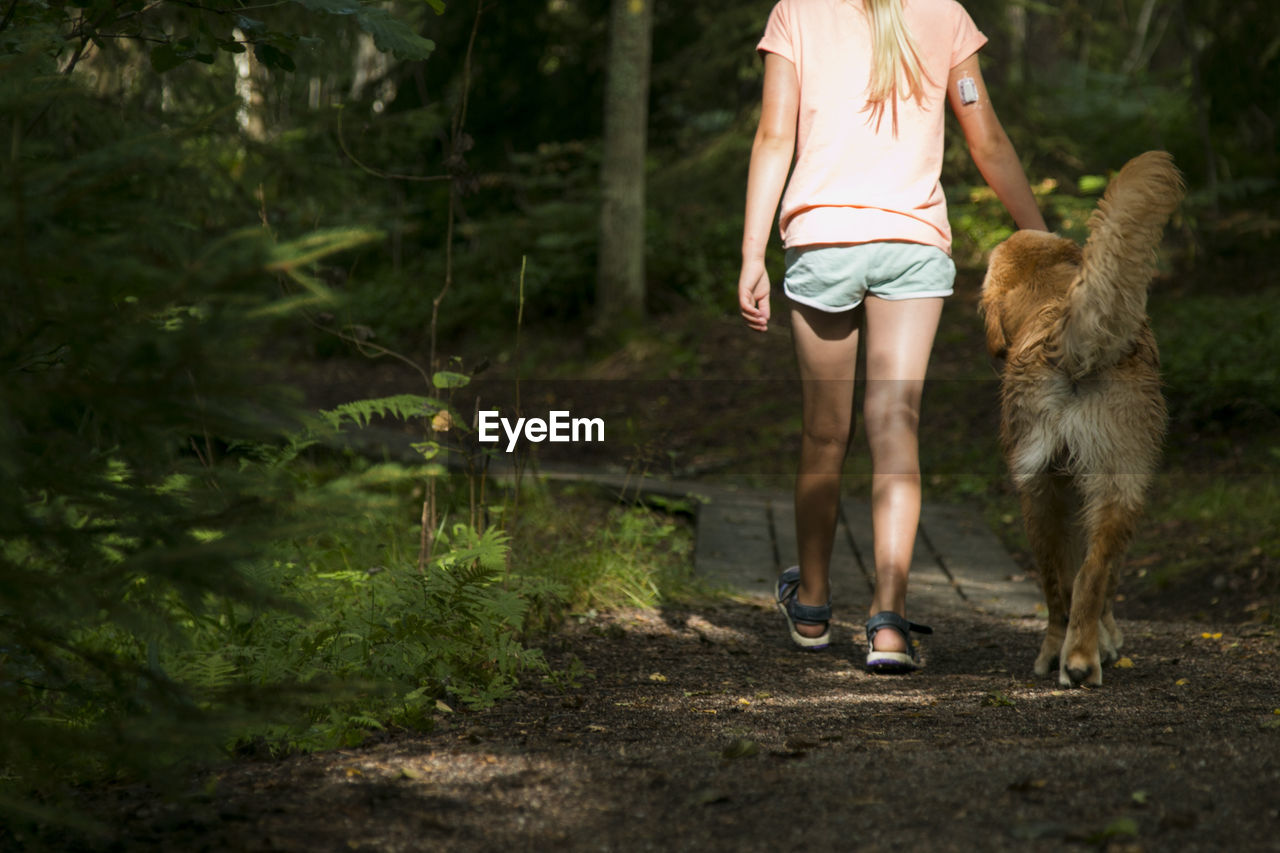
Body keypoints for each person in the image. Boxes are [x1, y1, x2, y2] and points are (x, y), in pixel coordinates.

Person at [738, 0, 1047, 671]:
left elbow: (772, 138)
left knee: (825, 433)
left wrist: (751, 254)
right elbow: (985, 137)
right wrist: (1041, 236)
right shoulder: (944, 14)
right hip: (912, 247)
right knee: (894, 423)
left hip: (822, 243)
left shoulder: (797, 12)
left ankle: (814, 608)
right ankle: (888, 627)